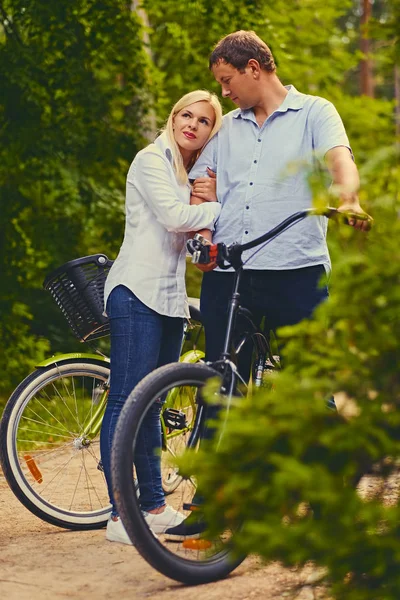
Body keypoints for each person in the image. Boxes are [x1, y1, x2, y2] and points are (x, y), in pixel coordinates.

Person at [164, 30, 372, 540]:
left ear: (255, 67)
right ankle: (212, 501)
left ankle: (328, 497)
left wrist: (347, 198)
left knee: (308, 389)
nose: (225, 91)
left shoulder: (315, 113)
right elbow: (202, 185)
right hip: (232, 274)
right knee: (220, 388)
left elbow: (339, 160)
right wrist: (204, 230)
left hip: (296, 272)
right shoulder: (225, 130)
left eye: (228, 80)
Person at [100, 90, 223, 545]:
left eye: (204, 121)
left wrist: (205, 208)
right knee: (125, 400)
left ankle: (151, 506)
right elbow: (174, 218)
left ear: (212, 131)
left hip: (169, 299)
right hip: (136, 292)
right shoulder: (151, 160)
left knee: (151, 402)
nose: (192, 124)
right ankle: (118, 513)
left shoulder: (186, 174)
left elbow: (191, 246)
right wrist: (216, 206)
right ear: (173, 119)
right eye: (186, 115)